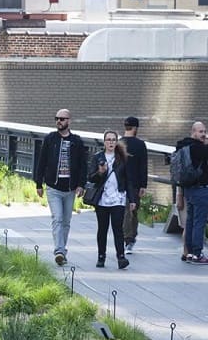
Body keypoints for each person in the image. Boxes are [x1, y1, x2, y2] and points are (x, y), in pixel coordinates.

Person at [33, 108, 87, 266]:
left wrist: (81, 185)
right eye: (56, 118)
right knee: (57, 218)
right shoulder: (50, 139)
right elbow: (41, 161)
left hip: (70, 189)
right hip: (53, 187)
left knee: (66, 221)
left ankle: (62, 250)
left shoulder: (77, 141)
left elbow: (83, 165)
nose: (59, 121)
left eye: (62, 119)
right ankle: (59, 251)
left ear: (69, 121)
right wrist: (38, 183)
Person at [88, 131, 138, 269]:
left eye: (113, 140)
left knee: (118, 228)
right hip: (102, 199)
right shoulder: (97, 157)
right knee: (102, 229)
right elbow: (91, 178)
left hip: (118, 198)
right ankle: (101, 257)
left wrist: (132, 199)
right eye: (108, 140)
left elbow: (128, 180)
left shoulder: (122, 158)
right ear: (104, 142)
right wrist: (100, 172)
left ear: (116, 142)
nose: (111, 142)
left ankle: (121, 257)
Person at [175, 121, 208, 263]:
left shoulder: (183, 145)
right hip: (200, 188)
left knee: (190, 221)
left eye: (204, 131)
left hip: (188, 188)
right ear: (194, 132)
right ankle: (197, 253)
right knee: (199, 222)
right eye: (201, 132)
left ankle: (189, 252)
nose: (203, 134)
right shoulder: (199, 148)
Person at [121, 116, 148, 254]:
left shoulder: (118, 143)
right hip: (135, 184)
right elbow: (143, 165)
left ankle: (128, 238)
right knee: (132, 211)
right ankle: (129, 239)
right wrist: (143, 185)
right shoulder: (140, 145)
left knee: (125, 212)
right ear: (136, 128)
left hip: (119, 183)